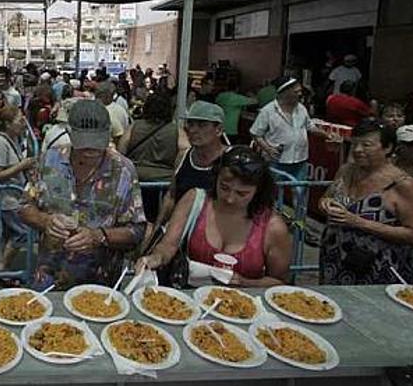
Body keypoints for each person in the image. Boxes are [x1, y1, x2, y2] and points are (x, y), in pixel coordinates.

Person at [20, 100, 146, 290]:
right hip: (49, 276)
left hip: (101, 283)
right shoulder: (48, 160)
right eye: (84, 143)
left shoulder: (123, 170)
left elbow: (137, 230)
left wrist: (99, 236)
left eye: (97, 142)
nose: (91, 149)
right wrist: (45, 221)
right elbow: (24, 207)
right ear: (69, 133)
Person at [136, 146, 291, 287]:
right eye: (224, 187)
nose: (230, 198)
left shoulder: (272, 227)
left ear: (258, 191)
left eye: (242, 193)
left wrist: (245, 282)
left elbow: (279, 281)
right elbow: (168, 245)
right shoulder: (194, 200)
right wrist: (157, 257)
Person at [319, 119, 413, 284]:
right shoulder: (346, 171)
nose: (357, 150)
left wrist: (358, 222)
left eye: (366, 145)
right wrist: (325, 204)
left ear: (388, 148)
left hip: (377, 268)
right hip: (334, 260)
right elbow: (326, 197)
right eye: (354, 144)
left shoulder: (403, 185)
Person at [154, 101, 227, 230]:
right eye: (190, 124)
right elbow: (171, 196)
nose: (193, 130)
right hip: (179, 230)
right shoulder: (183, 156)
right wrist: (157, 228)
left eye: (202, 125)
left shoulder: (230, 160)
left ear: (219, 130)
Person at [250, 77, 338, 181]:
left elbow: (310, 127)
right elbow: (256, 133)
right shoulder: (268, 111)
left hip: (300, 160)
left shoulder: (301, 108)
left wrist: (327, 135)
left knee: (300, 193)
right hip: (277, 162)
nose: (300, 94)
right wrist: (268, 149)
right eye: (297, 92)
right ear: (285, 92)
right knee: (274, 192)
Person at [0, 105, 37, 273]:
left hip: (11, 195)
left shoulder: (12, 139)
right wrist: (22, 165)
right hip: (6, 199)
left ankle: (2, 265)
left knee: (9, 233)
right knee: (22, 232)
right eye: (19, 120)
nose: (24, 123)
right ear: (8, 124)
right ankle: (2, 267)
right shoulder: (0, 143)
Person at [122, 93, 179, 223]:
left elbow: (122, 149)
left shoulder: (135, 127)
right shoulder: (175, 130)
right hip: (164, 181)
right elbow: (184, 150)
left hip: (137, 177)